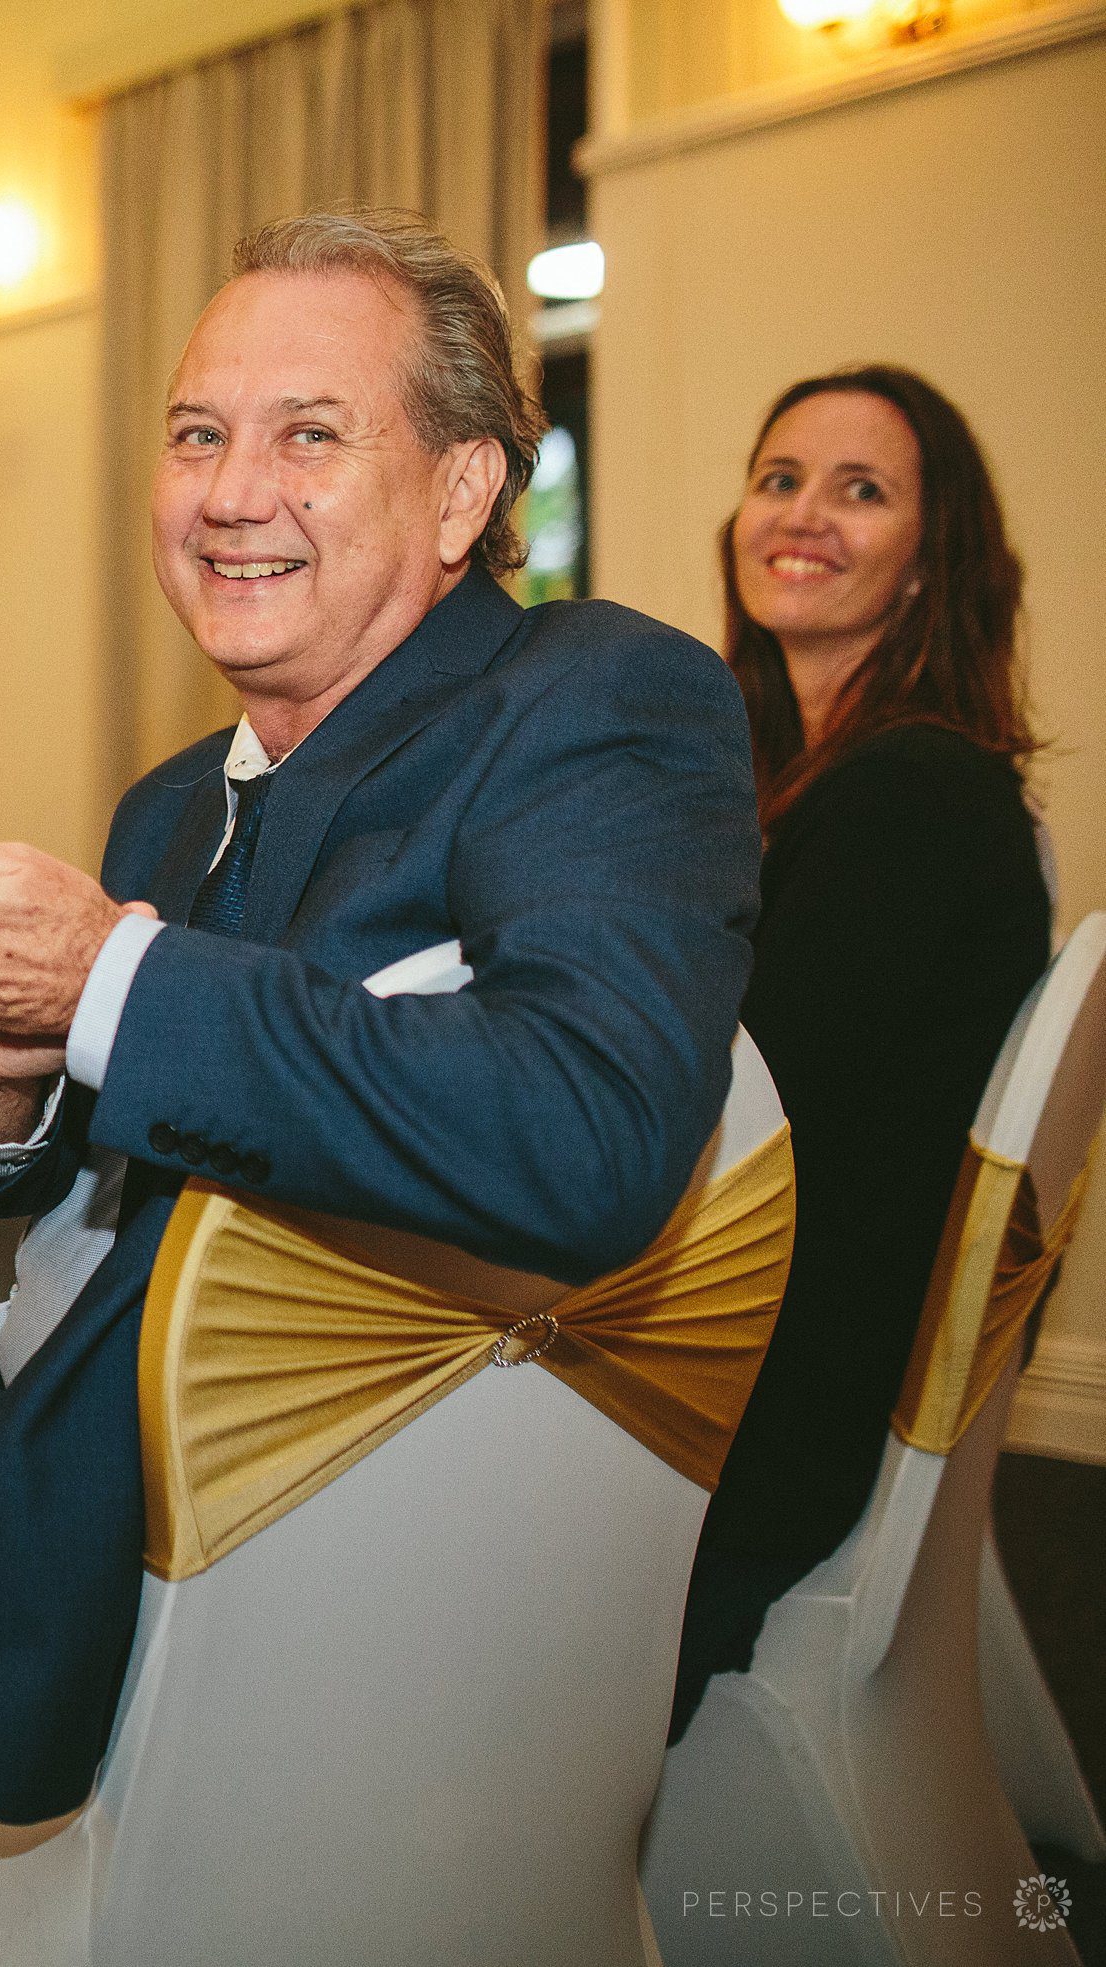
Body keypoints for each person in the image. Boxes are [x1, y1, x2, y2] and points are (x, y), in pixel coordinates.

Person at [0, 209, 764, 1962]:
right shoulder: (173, 797)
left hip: (283, 1532)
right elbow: (80, 1176)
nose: (228, 491)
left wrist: (99, 977)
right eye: (197, 434)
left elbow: (585, 1129)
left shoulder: (588, 703)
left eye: (309, 435)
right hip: (123, 1423)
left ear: (464, 491)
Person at [669, 367, 1048, 1737]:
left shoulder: (911, 797)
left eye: (860, 489)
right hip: (798, 1357)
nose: (803, 514)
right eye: (778, 478)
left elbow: (713, 1102)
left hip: (765, 1415)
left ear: (924, 561)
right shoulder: (811, 781)